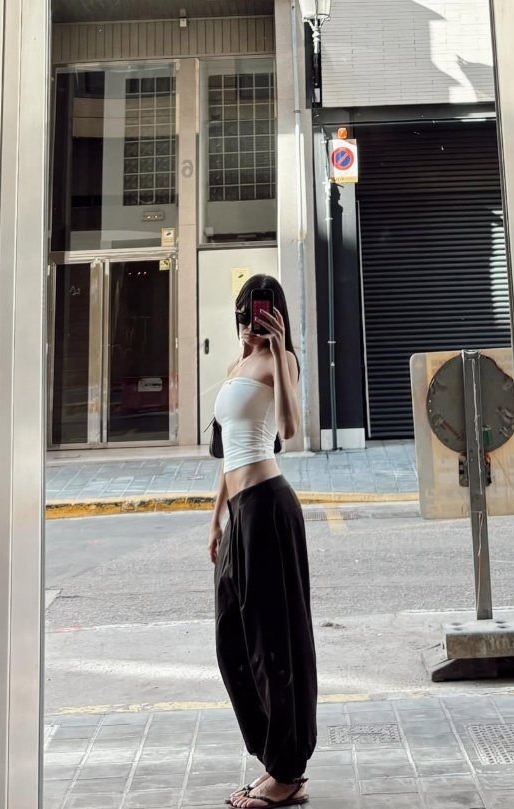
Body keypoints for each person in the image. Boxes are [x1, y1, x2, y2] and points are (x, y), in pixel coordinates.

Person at [208, 275, 317, 809]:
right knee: (232, 641)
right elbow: (227, 450)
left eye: (266, 308)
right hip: (240, 514)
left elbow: (289, 431)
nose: (256, 318)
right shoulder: (235, 366)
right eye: (251, 309)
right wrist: (215, 519)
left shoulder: (282, 361)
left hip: (270, 508)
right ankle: (273, 757)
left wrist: (278, 349)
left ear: (277, 315)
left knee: (275, 643)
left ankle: (287, 772)